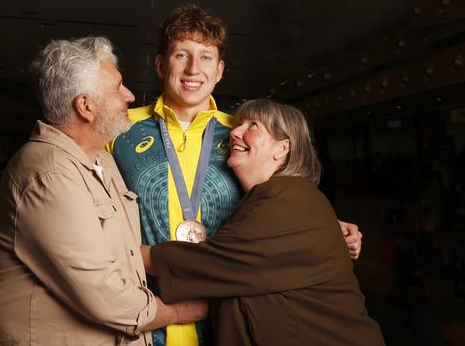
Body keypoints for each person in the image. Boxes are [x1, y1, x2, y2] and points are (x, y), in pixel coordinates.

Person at [109, 4, 363, 346]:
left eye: (206, 58)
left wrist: (331, 230)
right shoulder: (119, 131)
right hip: (146, 315)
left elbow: (282, 203)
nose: (193, 69)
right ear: (159, 64)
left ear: (220, 70)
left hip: (227, 316)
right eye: (181, 55)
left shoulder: (241, 136)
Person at [0, 36, 207, 345]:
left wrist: (206, 264)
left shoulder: (101, 159)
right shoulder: (49, 174)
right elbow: (103, 293)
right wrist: (182, 312)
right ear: (85, 106)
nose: (129, 95)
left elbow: (125, 251)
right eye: (118, 87)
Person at [142, 99, 385, 346]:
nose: (234, 132)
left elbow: (214, 262)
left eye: (253, 125)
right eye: (238, 125)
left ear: (282, 148)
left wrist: (126, 254)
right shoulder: (274, 199)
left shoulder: (289, 198)